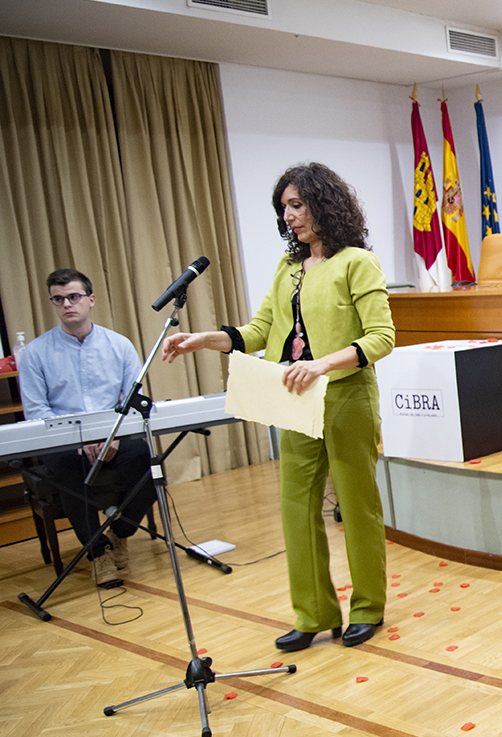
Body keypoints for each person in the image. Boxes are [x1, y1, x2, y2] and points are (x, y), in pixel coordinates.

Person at [162, 163, 395, 650]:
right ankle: (313, 614)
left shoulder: (357, 262)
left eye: (297, 205)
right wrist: (206, 339)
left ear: (324, 204)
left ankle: (367, 608)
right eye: (283, 208)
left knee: (357, 506)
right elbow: (259, 332)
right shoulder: (288, 268)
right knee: (296, 506)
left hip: (346, 396)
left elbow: (381, 338)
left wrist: (322, 364)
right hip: (296, 399)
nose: (288, 216)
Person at [19, 269, 158, 582]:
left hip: (114, 434)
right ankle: (98, 554)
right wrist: (80, 440)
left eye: (73, 296)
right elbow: (37, 412)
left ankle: (120, 533)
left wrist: (115, 437)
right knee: (69, 469)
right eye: (58, 299)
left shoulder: (119, 345)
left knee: (147, 461)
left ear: (91, 299)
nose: (67, 304)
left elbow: (134, 402)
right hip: (64, 440)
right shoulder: (36, 353)